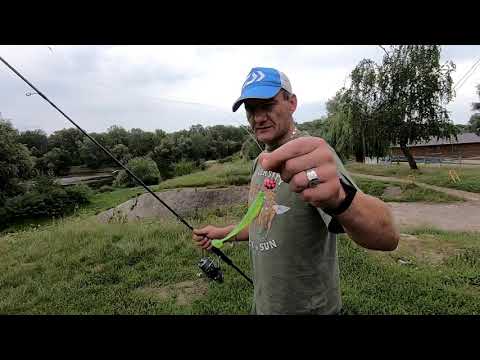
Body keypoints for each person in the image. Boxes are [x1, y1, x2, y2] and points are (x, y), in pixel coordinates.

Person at [193, 67, 399, 315]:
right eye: (251, 109)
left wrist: (341, 200)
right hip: (266, 306)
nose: (258, 117)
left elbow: (387, 238)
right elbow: (265, 222)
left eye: (267, 105)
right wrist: (224, 233)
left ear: (292, 103)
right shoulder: (260, 162)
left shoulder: (312, 156)